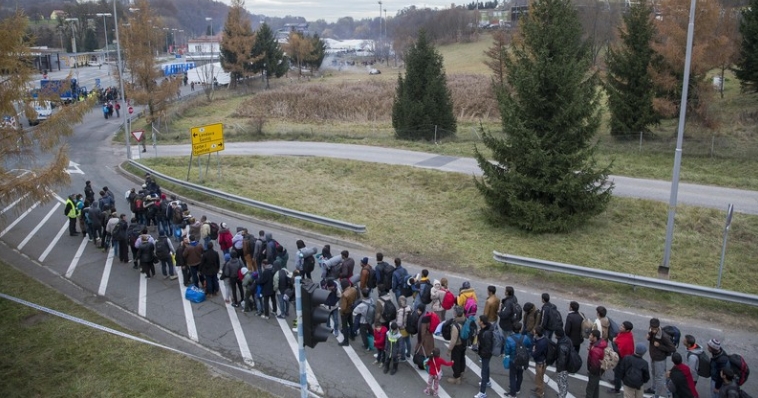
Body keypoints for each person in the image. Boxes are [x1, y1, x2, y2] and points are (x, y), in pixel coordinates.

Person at [646, 318, 676, 398]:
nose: (653, 331)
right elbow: (652, 340)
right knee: (653, 373)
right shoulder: (650, 330)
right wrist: (649, 337)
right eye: (652, 329)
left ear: (658, 327)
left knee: (659, 378)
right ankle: (653, 388)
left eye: (655, 329)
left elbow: (672, 348)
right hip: (653, 357)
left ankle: (657, 395)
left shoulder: (664, 336)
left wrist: (660, 346)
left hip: (660, 359)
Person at [505, 322, 532, 398]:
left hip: (513, 359)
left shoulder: (509, 339)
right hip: (522, 359)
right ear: (520, 329)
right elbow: (529, 345)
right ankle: (517, 389)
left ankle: (512, 393)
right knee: (520, 374)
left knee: (512, 376)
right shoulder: (525, 338)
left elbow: (507, 351)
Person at [610, 321, 636, 394]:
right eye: (621, 325)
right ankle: (616, 381)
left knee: (618, 372)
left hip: (623, 359)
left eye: (623, 327)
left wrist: (614, 342)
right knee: (616, 370)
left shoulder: (626, 339)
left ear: (627, 330)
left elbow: (619, 351)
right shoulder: (626, 335)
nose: (620, 327)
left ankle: (617, 389)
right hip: (624, 357)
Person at [445, 305, 467, 385]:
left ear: (456, 314)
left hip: (457, 345)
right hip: (464, 343)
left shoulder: (455, 325)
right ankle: (462, 373)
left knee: (455, 361)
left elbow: (453, 340)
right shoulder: (465, 320)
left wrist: (449, 350)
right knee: (462, 358)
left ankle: (456, 378)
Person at [475, 315, 495, 398]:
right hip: (487, 353)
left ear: (482, 322)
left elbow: (487, 346)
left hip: (485, 354)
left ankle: (482, 392)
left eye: (479, 320)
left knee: (483, 371)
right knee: (486, 367)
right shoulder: (488, 329)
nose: (478, 320)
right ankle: (487, 381)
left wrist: (482, 355)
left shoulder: (486, 333)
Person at [586, 329, 607, 398]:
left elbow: (594, 364)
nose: (589, 336)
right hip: (598, 372)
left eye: (591, 335)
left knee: (590, 390)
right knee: (595, 388)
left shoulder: (596, 350)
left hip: (594, 373)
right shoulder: (598, 344)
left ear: (595, 337)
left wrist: (591, 371)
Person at [339, 280, 358, 345]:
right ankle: (352, 336)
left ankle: (346, 341)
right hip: (351, 308)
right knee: (351, 323)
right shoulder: (354, 289)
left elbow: (343, 307)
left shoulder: (344, 295)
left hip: (345, 311)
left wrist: (341, 311)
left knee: (345, 327)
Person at [555, 329, 572, 398]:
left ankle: (562, 395)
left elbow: (562, 360)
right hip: (568, 363)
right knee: (563, 381)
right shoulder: (567, 339)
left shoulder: (561, 346)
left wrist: (559, 369)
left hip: (563, 367)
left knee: (561, 381)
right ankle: (562, 394)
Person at [532, 326, 549, 398]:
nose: (533, 331)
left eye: (534, 330)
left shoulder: (540, 343)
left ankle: (540, 393)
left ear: (537, 333)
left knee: (539, 378)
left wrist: (532, 352)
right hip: (543, 361)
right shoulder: (544, 339)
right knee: (539, 376)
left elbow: (536, 354)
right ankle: (539, 389)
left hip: (540, 363)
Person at [395, 295, 413, 360]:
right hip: (408, 328)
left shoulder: (400, 311)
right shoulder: (409, 308)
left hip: (402, 329)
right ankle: (408, 353)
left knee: (402, 343)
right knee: (408, 341)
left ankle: (402, 357)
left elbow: (399, 323)